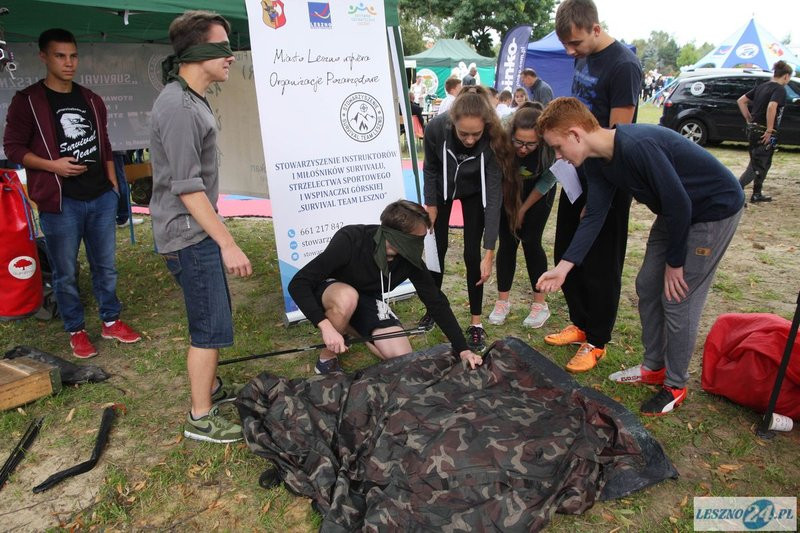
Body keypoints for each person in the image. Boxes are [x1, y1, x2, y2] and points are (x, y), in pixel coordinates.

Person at [536, 97, 744, 415]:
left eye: (559, 148)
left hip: (711, 210)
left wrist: (676, 263)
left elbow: (680, 204)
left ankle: (675, 384)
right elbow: (595, 215)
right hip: (674, 211)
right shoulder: (595, 161)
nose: (559, 157)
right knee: (647, 284)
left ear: (576, 134)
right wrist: (564, 268)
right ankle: (653, 368)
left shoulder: (637, 145)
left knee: (678, 297)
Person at [3, 28, 141, 358]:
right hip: (60, 202)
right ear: (44, 57)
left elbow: (105, 145)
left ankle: (111, 321)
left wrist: (111, 185)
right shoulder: (29, 101)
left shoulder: (91, 99)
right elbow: (13, 148)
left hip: (100, 197)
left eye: (73, 56)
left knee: (105, 266)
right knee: (65, 272)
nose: (68, 63)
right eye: (60, 56)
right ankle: (76, 330)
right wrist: (53, 166)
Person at [150, 10, 252, 443]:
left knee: (212, 316)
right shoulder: (177, 106)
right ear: (198, 51)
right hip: (189, 235)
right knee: (208, 326)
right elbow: (187, 188)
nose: (231, 57)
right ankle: (201, 416)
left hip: (194, 231)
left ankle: (208, 386)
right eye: (223, 48)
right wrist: (227, 243)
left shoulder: (190, 99)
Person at [546, 0, 642, 374]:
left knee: (602, 261)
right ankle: (580, 322)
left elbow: (620, 136)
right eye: (567, 46)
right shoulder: (582, 55)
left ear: (596, 29)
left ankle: (597, 340)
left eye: (576, 44)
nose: (572, 52)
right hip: (577, 172)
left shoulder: (624, 66)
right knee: (569, 249)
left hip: (609, 177)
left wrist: (600, 198)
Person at [288, 200, 483, 374]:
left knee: (402, 357)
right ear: (397, 237)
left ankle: (350, 329)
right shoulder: (351, 239)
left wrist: (463, 349)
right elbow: (299, 283)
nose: (421, 245)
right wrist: (325, 327)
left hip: (367, 299)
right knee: (348, 296)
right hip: (333, 292)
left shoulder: (409, 260)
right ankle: (326, 359)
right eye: (417, 239)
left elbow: (436, 302)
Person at [420, 86, 515, 352]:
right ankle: (432, 309)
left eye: (476, 134)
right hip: (443, 189)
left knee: (473, 255)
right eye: (464, 134)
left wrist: (490, 250)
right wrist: (431, 205)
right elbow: (430, 167)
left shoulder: (496, 137)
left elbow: (493, 197)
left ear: (486, 125)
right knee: (436, 249)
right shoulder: (436, 128)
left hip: (474, 191)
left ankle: (476, 322)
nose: (470, 140)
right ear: (453, 124)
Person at [488, 104, 556, 329]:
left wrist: (523, 209)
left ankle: (540, 305)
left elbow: (547, 180)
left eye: (530, 144)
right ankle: (502, 302)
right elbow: (497, 178)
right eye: (519, 142)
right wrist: (510, 208)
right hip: (509, 188)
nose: (523, 149)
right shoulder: (501, 138)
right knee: (507, 242)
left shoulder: (550, 147)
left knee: (531, 242)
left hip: (538, 191)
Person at [737, 60, 793, 203]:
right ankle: (736, 191)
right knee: (757, 165)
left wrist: (749, 119)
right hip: (764, 132)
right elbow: (771, 107)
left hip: (754, 130)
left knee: (762, 162)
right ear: (786, 76)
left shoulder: (762, 86)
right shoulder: (779, 89)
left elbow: (741, 101)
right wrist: (769, 130)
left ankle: (757, 193)